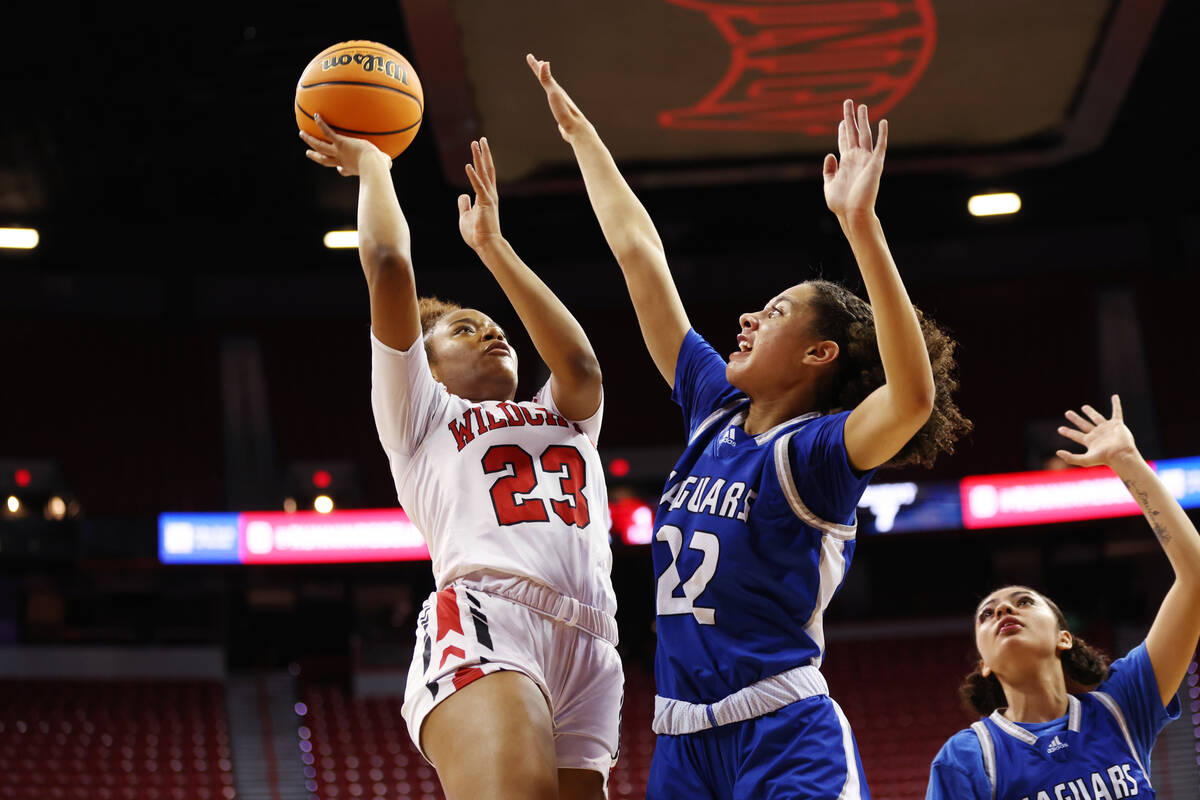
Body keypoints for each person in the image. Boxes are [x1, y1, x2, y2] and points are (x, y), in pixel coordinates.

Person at [527, 55, 970, 799]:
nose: (745, 318)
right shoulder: (713, 407)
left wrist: (860, 227)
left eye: (774, 313)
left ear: (818, 353)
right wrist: (583, 140)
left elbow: (912, 398)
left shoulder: (816, 452)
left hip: (783, 732)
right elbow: (641, 258)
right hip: (679, 739)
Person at [300, 116, 621, 800]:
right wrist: (375, 167)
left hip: (592, 644)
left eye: (496, 326)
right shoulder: (423, 416)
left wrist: (495, 248)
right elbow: (388, 264)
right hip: (488, 619)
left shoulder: (561, 415)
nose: (492, 333)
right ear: (429, 367)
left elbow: (583, 364)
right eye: (466, 329)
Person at [927, 396, 1198, 800]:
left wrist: (1127, 460)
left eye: (1024, 601)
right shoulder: (966, 758)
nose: (1003, 609)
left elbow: (1194, 576)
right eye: (987, 614)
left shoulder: (1120, 705)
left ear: (1063, 637)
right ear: (983, 665)